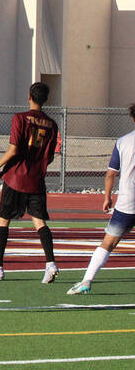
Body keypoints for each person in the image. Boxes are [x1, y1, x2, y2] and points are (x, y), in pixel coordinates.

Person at [0, 82, 60, 283]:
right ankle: (50, 263)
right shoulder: (52, 124)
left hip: (16, 177)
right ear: (46, 99)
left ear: (29, 96)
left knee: (3, 220)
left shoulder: (20, 118)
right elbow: (49, 156)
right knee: (40, 222)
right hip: (36, 179)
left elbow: (13, 149)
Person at [68, 103, 135, 294]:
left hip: (127, 201)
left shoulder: (123, 141)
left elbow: (111, 173)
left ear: (132, 118)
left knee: (108, 243)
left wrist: (107, 197)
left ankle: (87, 281)